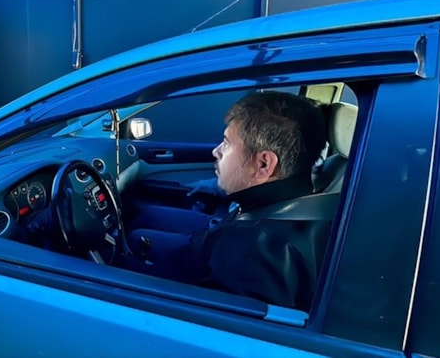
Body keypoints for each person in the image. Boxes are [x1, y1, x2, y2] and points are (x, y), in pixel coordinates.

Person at [120, 91, 329, 311]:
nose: (216, 151)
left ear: (264, 164)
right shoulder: (282, 207)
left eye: (227, 143)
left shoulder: (250, 254)